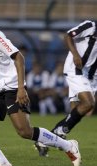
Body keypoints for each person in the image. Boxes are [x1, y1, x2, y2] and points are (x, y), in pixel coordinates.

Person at [0, 3, 81, 166]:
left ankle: (68, 145)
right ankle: (4, 164)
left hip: (12, 87)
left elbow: (19, 57)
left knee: (24, 131)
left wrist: (20, 88)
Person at [35, 20, 97, 157]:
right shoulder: (91, 26)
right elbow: (68, 36)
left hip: (91, 76)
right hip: (76, 69)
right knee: (88, 103)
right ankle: (59, 132)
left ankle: (45, 140)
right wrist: (75, 55)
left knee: (80, 110)